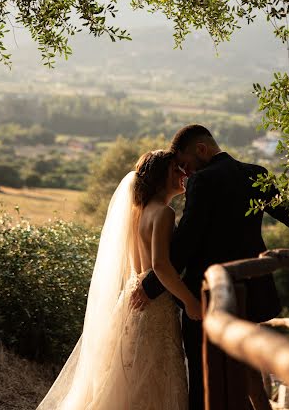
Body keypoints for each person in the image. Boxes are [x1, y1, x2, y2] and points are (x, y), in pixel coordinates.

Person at [131, 124, 289, 410]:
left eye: (186, 165)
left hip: (208, 296)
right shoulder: (255, 174)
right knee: (242, 371)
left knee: (205, 382)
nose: (186, 174)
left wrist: (150, 286)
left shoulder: (204, 182)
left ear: (202, 149)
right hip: (251, 293)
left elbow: (185, 242)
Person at [37, 149, 199, 410]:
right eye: (175, 170)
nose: (183, 174)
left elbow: (142, 264)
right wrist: (190, 301)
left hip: (133, 295)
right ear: (160, 177)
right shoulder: (164, 213)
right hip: (157, 303)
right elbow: (160, 266)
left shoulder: (138, 212)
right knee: (156, 374)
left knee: (128, 375)